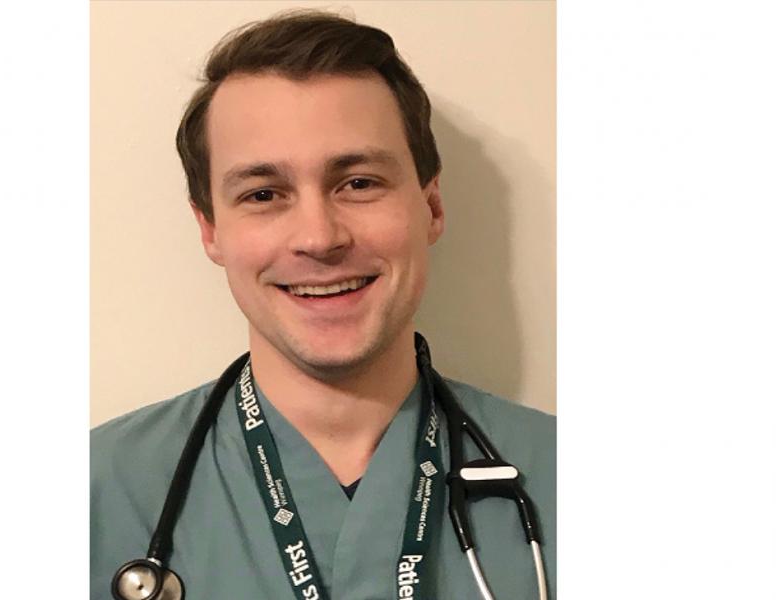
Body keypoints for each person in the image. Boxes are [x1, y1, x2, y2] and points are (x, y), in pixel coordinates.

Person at [91, 10, 555, 600]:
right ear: (210, 230)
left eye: (358, 182)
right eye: (263, 194)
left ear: (431, 207)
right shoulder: (96, 492)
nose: (319, 236)